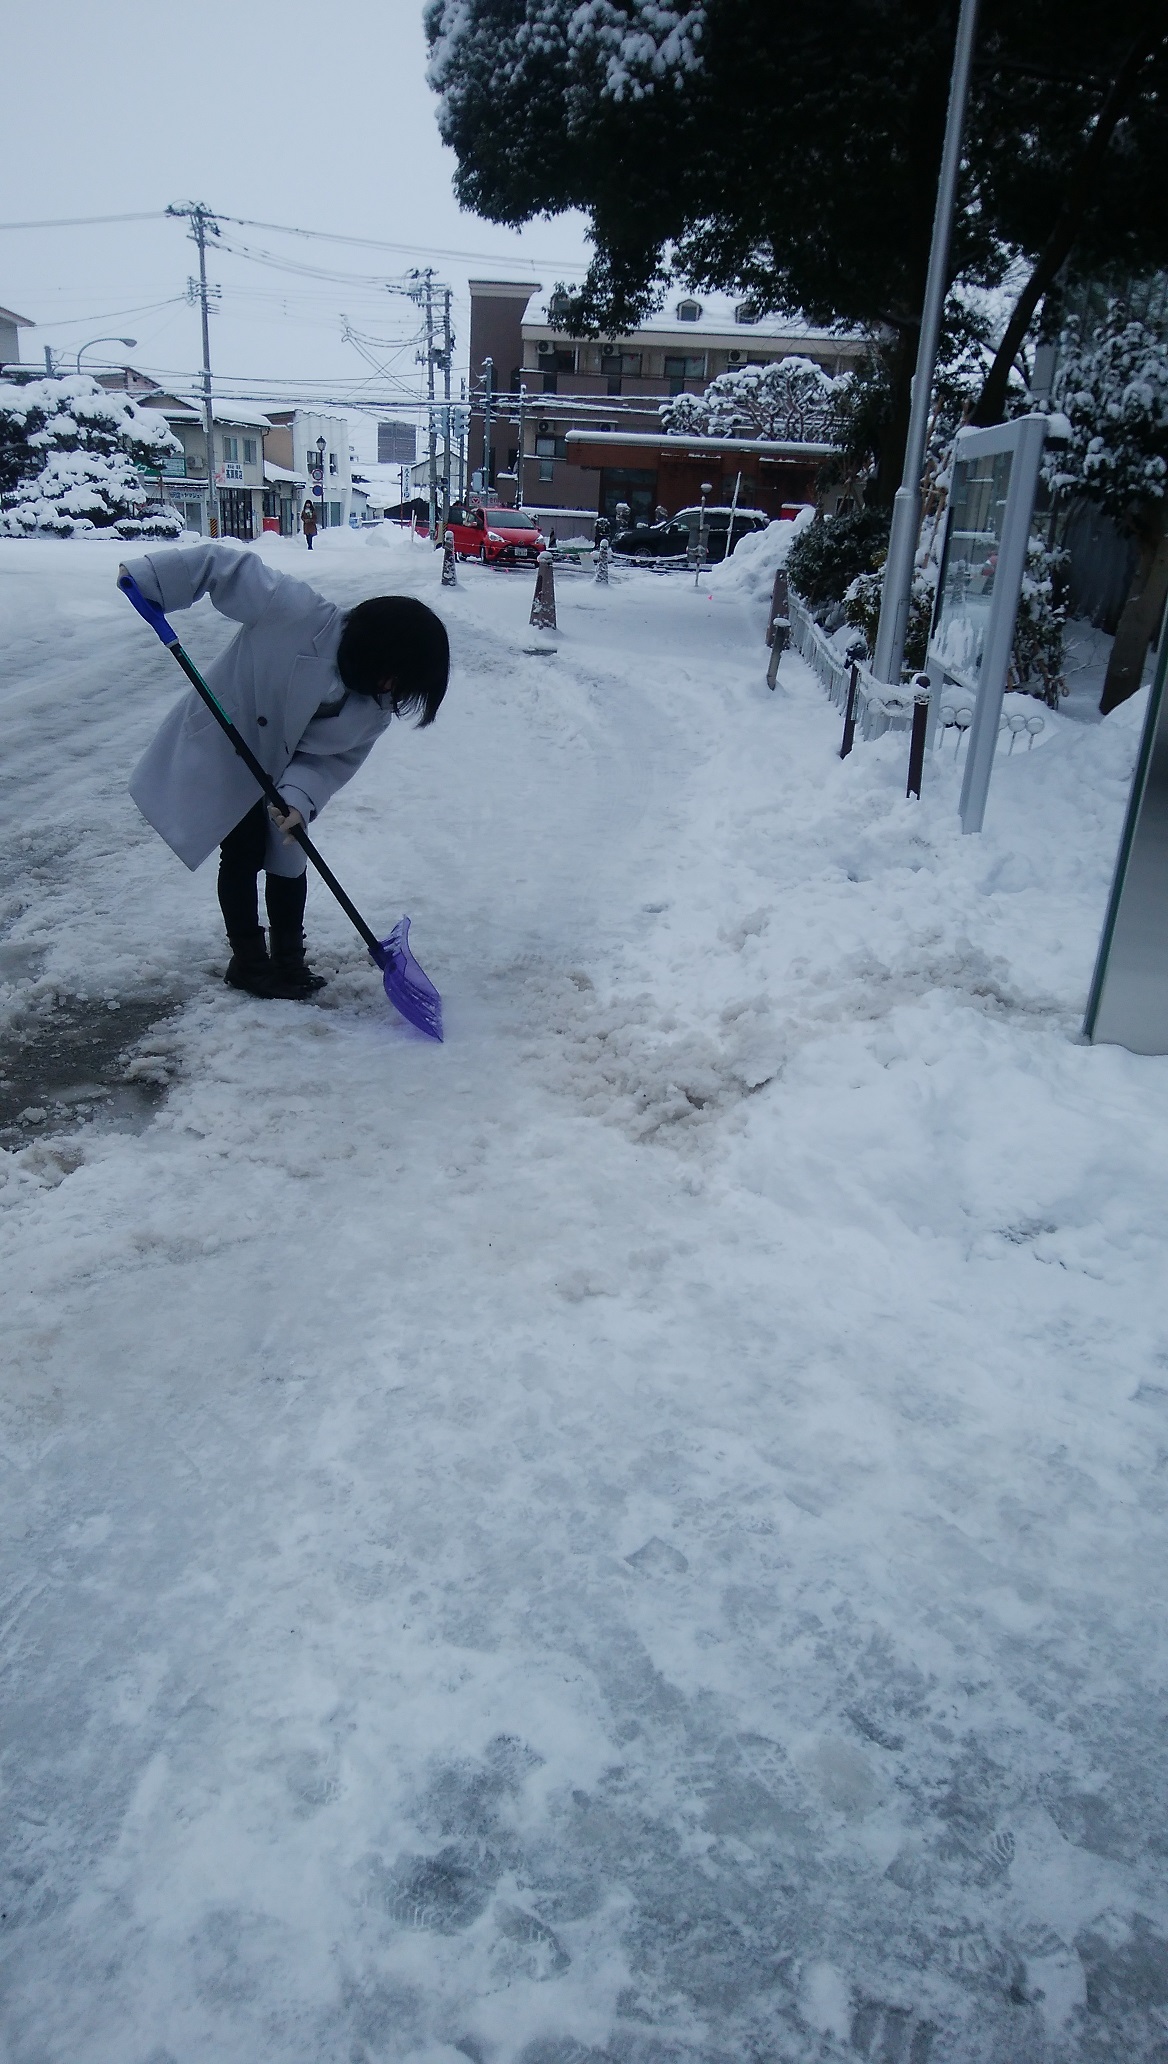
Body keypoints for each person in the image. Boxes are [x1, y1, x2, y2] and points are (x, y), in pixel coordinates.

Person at [122, 542, 449, 999]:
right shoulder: (295, 611)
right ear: (375, 646)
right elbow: (224, 567)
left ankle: (290, 961)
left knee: (290, 853)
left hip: (282, 777)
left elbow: (328, 760)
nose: (391, 689)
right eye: (392, 674)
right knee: (242, 853)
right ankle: (250, 962)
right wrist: (152, 579)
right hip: (226, 748)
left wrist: (298, 801)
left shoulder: (374, 710)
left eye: (401, 684)